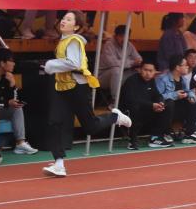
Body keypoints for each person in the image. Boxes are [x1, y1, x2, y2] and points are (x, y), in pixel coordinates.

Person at [42, 11, 131, 176]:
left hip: (78, 87)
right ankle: (59, 163)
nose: (63, 21)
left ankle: (115, 117)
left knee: (90, 126)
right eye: (63, 18)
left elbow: (73, 63)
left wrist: (50, 65)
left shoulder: (74, 41)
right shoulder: (63, 41)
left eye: (69, 19)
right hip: (61, 87)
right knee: (55, 122)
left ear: (76, 26)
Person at [0, 48, 37, 154]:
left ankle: (20, 143)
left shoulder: (7, 77)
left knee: (16, 108)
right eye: (11, 61)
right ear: (2, 63)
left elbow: (13, 100)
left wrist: (12, 84)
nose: (14, 64)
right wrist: (6, 103)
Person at [120, 59, 172, 149]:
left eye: (151, 71)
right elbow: (132, 100)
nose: (148, 73)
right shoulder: (132, 81)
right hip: (129, 111)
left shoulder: (151, 81)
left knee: (170, 103)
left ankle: (156, 137)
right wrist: (152, 105)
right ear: (140, 70)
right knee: (135, 107)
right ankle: (132, 140)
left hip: (148, 108)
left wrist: (160, 103)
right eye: (145, 70)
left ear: (155, 72)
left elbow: (157, 95)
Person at [156, 56, 196, 144]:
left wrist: (191, 97)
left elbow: (188, 91)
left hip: (179, 110)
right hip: (166, 110)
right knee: (170, 103)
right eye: (185, 65)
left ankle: (190, 133)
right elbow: (158, 97)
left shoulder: (183, 79)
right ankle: (164, 134)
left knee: (194, 102)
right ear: (177, 67)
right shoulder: (162, 79)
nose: (187, 66)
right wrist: (175, 95)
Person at [98, 24, 143, 100]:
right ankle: (115, 101)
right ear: (115, 36)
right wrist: (131, 62)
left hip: (121, 74)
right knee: (116, 70)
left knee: (141, 72)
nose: (124, 39)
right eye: (121, 36)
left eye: (126, 36)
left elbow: (138, 58)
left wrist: (135, 62)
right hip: (103, 77)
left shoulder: (129, 45)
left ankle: (135, 99)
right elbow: (113, 63)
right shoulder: (109, 44)